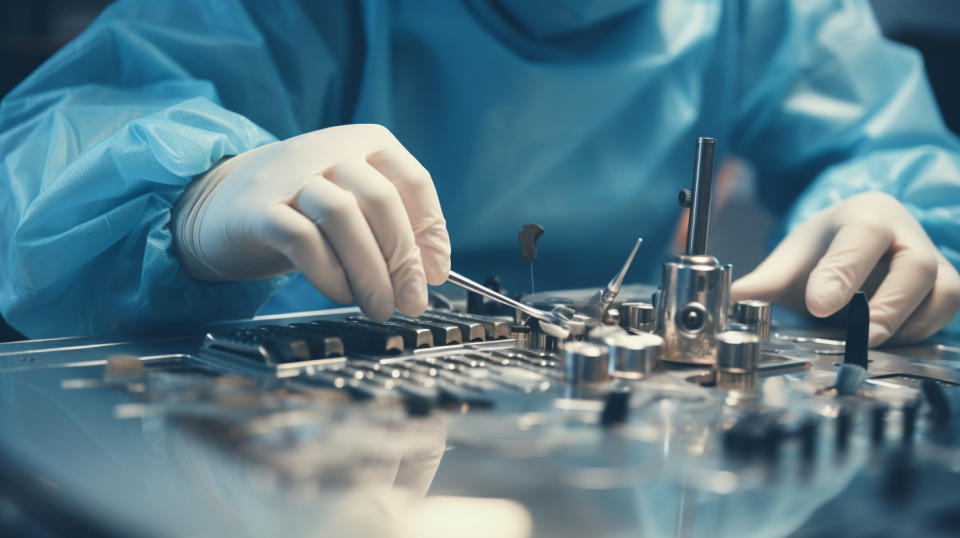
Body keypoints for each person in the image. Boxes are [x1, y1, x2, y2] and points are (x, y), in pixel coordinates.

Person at [0, 0, 958, 346]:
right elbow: (50, 150)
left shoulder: (753, 12)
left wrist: (886, 217)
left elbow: (884, 149)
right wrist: (191, 197)